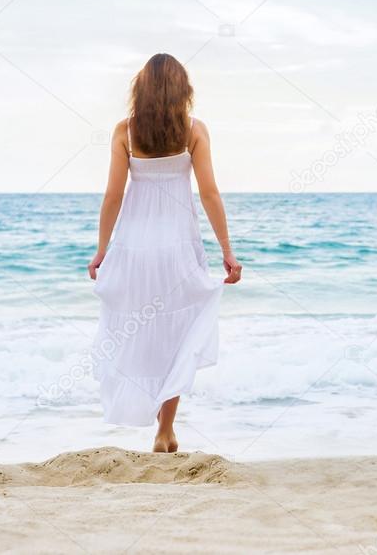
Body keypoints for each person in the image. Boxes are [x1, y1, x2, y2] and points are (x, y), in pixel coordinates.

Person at [88, 53, 242, 453]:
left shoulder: (125, 131)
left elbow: (112, 196)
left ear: (141, 88)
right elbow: (209, 193)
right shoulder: (193, 130)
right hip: (179, 246)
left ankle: (156, 420)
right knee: (176, 334)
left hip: (135, 249)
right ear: (182, 89)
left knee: (142, 331)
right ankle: (165, 428)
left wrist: (102, 250)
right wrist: (227, 250)